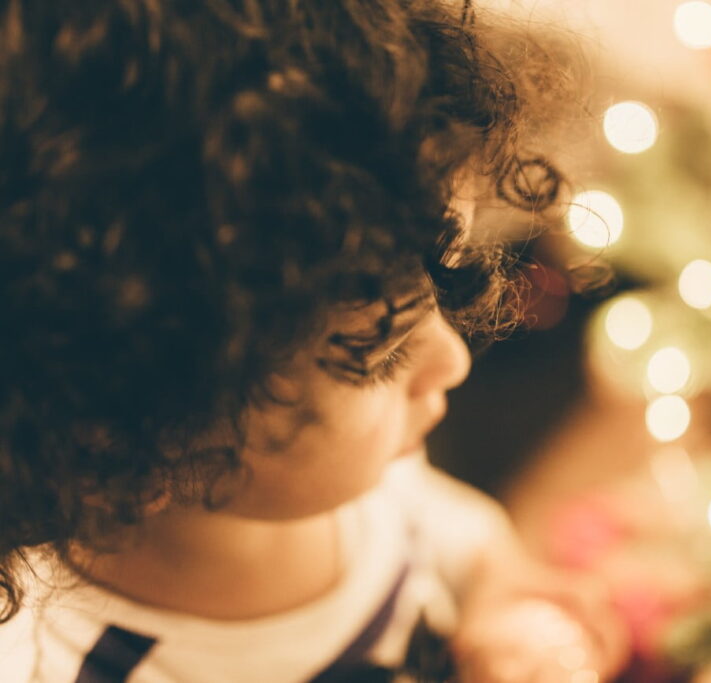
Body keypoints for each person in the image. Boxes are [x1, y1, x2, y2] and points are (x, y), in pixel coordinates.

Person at [0, 0, 627, 680]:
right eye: (380, 354)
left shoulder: (365, 476)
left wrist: (500, 593)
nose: (451, 361)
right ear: (140, 441)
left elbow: (456, 533)